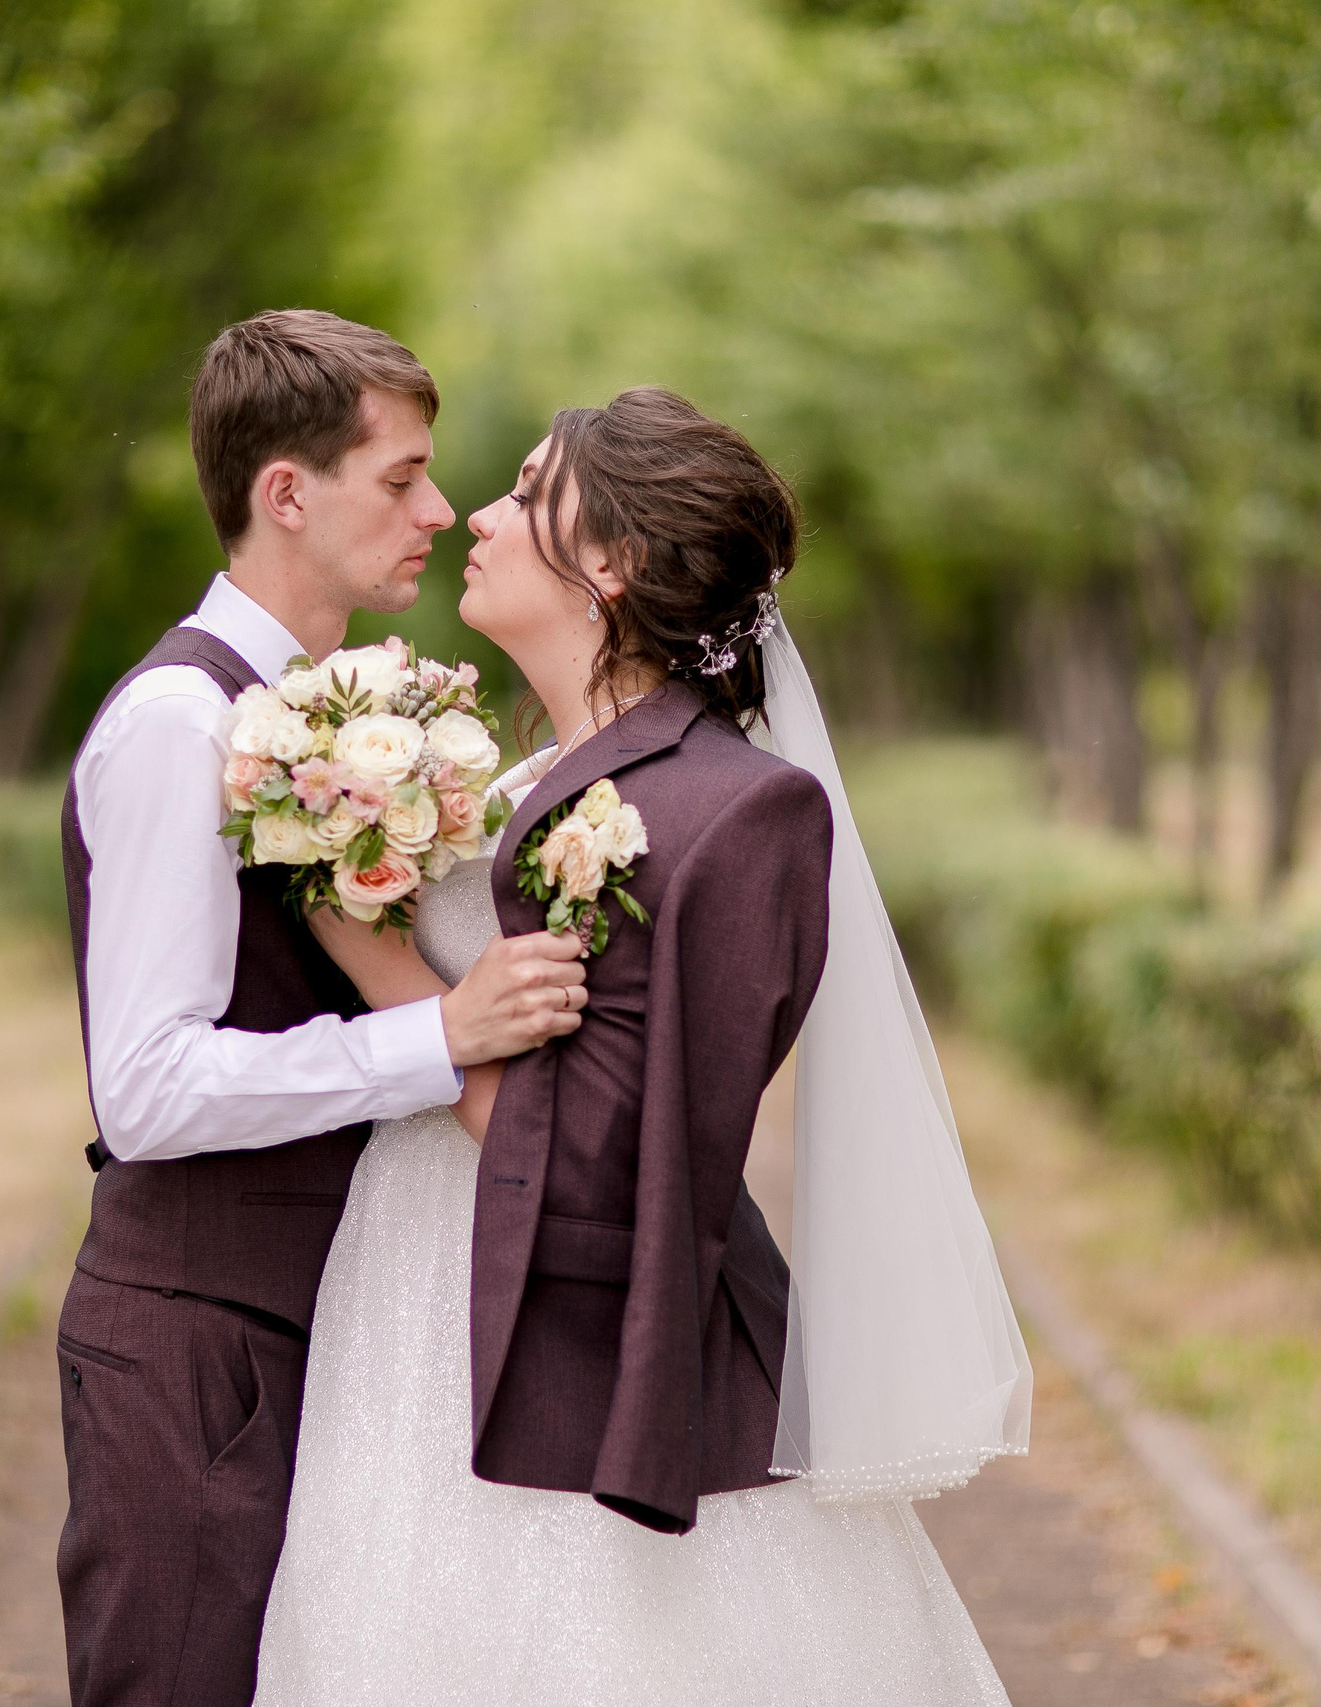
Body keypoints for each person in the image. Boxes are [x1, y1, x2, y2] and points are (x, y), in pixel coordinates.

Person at [252, 387, 1031, 1703]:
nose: (477, 519)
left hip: (585, 1333)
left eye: (523, 493)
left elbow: (611, 1159)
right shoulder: (502, 787)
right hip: (410, 1303)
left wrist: (374, 960)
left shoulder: (738, 813)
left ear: (610, 564)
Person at [53, 309, 594, 1707]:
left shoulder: (333, 716)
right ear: (285, 493)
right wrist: (440, 1036)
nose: (437, 509)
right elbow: (150, 1092)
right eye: (400, 477)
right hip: (203, 1340)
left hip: (337, 1330)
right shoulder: (181, 724)